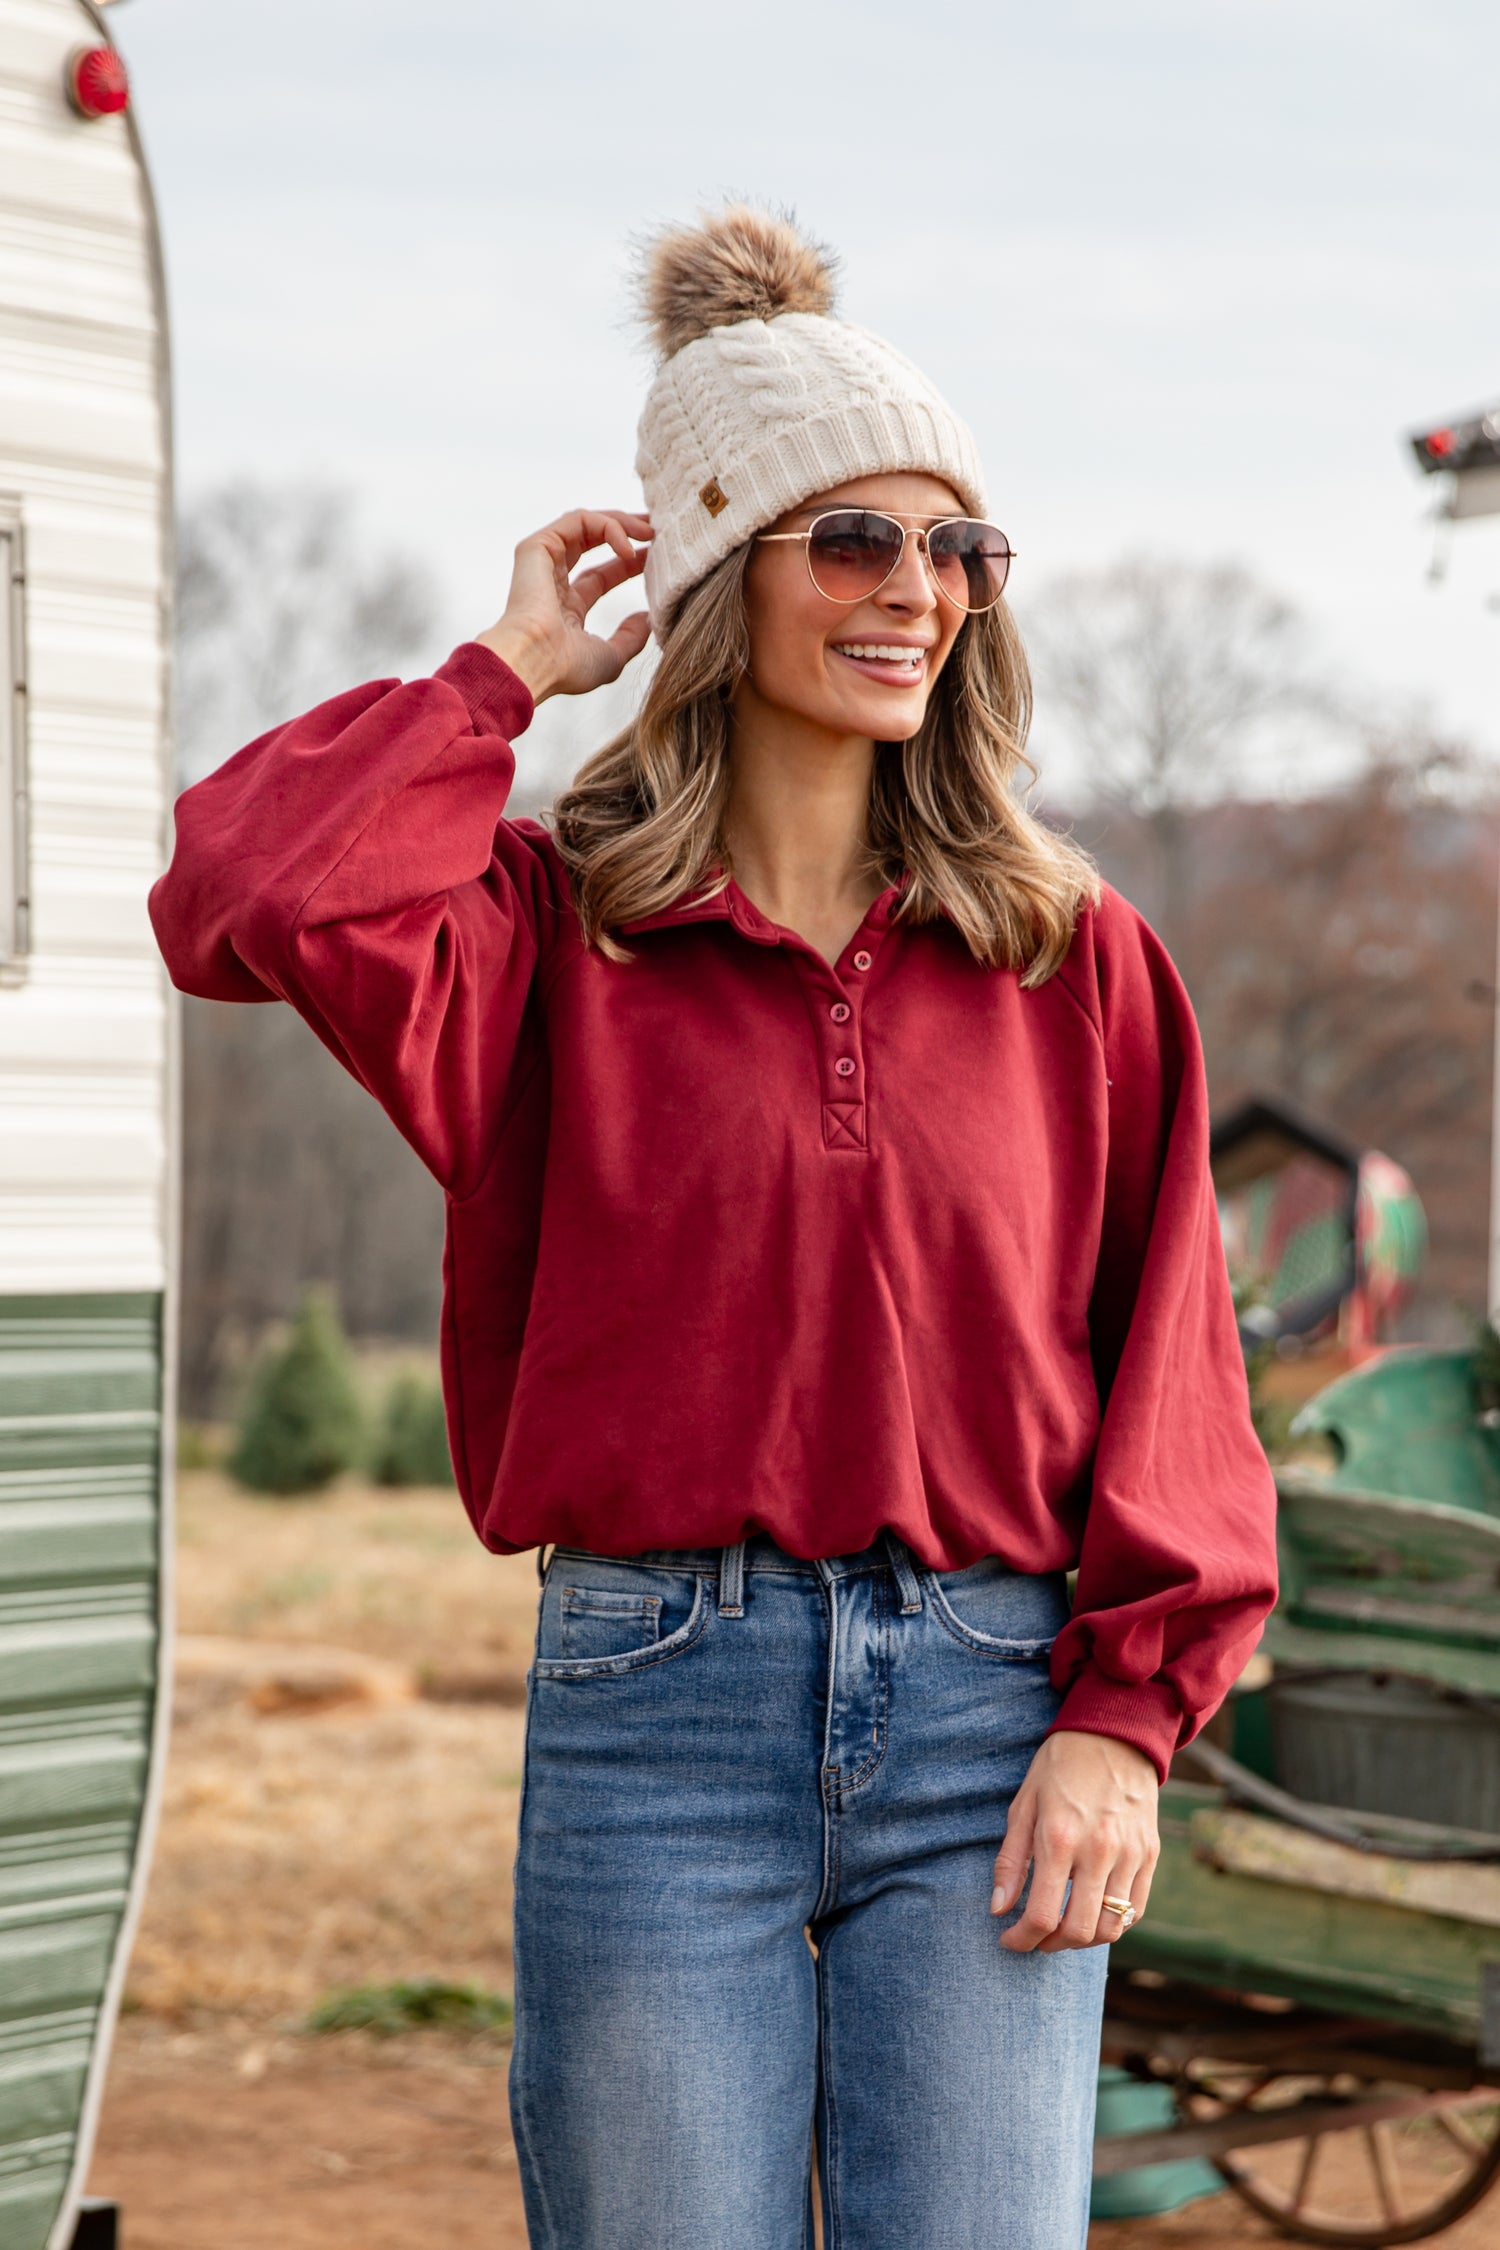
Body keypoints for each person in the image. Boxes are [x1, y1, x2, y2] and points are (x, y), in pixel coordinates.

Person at [150, 206, 1278, 2250]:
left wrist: (1124, 1720)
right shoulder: (545, 939)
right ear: (711, 571)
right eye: (850, 542)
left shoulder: (1073, 959)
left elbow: (1176, 1369)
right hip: (656, 1700)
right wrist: (500, 674)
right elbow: (242, 896)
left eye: (959, 552)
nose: (916, 595)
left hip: (992, 1713)